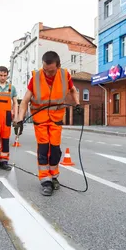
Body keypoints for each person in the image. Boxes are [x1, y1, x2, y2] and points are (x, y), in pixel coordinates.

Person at [14, 51, 82, 196]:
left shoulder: (65, 75)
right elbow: (25, 101)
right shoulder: (36, 77)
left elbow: (73, 90)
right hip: (40, 118)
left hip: (56, 117)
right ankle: (45, 180)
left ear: (58, 66)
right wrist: (19, 118)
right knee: (44, 149)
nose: (47, 74)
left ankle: (54, 177)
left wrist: (77, 104)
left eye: (51, 71)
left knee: (55, 150)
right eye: (45, 70)